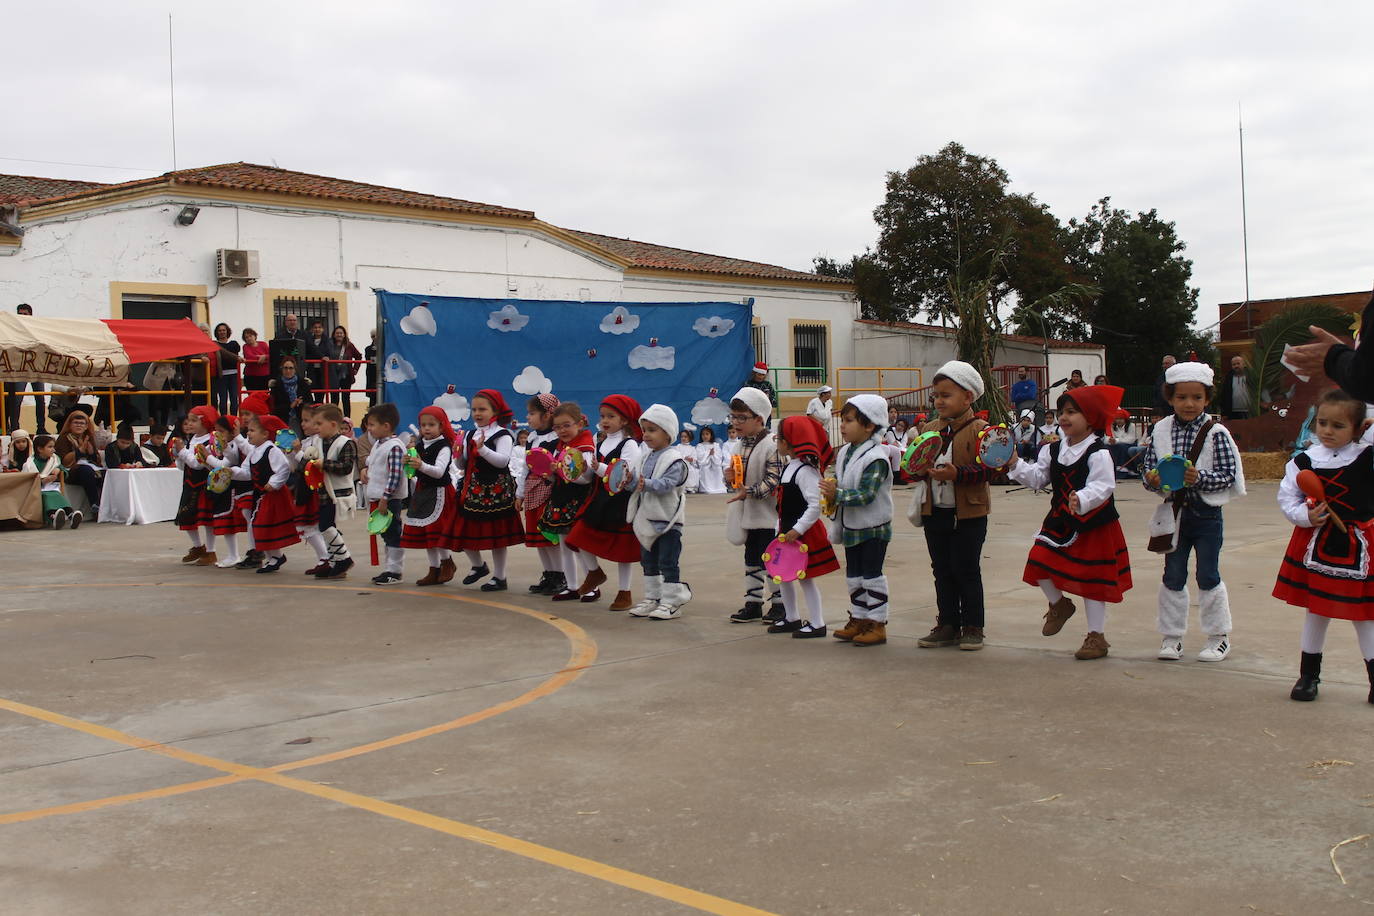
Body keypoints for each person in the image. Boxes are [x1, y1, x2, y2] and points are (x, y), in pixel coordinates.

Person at [1007, 385, 1133, 660]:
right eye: (1061, 411)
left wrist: (1083, 499)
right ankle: (1059, 604)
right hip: (1059, 520)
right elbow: (1038, 478)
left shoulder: (1098, 452)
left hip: (1093, 523)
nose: (1064, 417)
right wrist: (1015, 463)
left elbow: (1104, 485)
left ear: (1091, 419)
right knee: (1038, 560)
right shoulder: (1051, 450)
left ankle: (1096, 636)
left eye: (1072, 412)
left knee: (1092, 579)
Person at [1268, 390, 1374, 702]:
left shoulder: (1367, 455)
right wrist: (1305, 515)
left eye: (1338, 426)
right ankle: (1308, 677)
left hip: (1362, 545)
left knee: (1365, 615)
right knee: (1317, 611)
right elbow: (1288, 497)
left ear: (1358, 428)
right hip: (1316, 543)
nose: (1327, 430)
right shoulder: (1303, 460)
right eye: (1322, 423)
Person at [1142, 361, 1246, 662]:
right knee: (1172, 574)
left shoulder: (1216, 432)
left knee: (1207, 574)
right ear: (1170, 398)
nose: (1189, 404)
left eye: (1196, 397)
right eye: (1181, 397)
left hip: (1206, 516)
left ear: (1207, 399)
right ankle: (1172, 637)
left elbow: (1229, 474)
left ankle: (1218, 636)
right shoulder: (1160, 430)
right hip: (1173, 515)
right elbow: (1148, 468)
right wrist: (1152, 480)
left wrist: (1199, 479)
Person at [910, 362, 997, 651]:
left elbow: (990, 469)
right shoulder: (930, 429)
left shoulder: (981, 430)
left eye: (946, 395)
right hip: (935, 511)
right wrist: (918, 469)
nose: (939, 401)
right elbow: (915, 464)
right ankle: (947, 623)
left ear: (968, 397)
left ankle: (973, 626)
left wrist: (957, 474)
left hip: (969, 513)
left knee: (966, 568)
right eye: (936, 396)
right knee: (942, 568)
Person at [821, 394, 893, 646]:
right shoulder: (845, 453)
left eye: (849, 420)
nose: (842, 426)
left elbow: (867, 494)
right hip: (851, 526)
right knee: (854, 575)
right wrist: (833, 493)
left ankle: (877, 623)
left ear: (870, 425)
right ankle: (860, 618)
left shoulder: (877, 458)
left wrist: (837, 494)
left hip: (874, 527)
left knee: (871, 575)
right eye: (843, 420)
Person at [566, 395, 644, 610]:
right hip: (599, 499)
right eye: (602, 416)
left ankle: (624, 591)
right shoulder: (599, 441)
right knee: (578, 535)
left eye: (611, 416)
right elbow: (591, 475)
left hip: (621, 501)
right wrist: (576, 472)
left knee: (623, 549)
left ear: (625, 420)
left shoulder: (630, 445)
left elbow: (622, 475)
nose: (605, 420)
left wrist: (598, 467)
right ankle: (594, 572)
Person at [767, 415, 839, 638]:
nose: (776, 442)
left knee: (806, 579)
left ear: (789, 443)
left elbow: (815, 505)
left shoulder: (805, 471)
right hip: (786, 533)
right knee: (783, 576)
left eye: (778, 438)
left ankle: (818, 623)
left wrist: (797, 529)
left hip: (803, 535)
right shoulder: (791, 467)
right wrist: (779, 528)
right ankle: (791, 617)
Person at [451, 389, 526, 591]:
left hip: (496, 492)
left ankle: (500, 577)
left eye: (482, 409)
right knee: (462, 531)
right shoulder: (468, 434)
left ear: (495, 410)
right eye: (474, 409)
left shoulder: (503, 434)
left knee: (497, 538)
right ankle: (478, 566)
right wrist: (457, 455)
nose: (477, 413)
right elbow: (461, 465)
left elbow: (502, 461)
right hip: (472, 491)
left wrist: (482, 449)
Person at [626, 404, 692, 619]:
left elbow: (665, 485)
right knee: (649, 562)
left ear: (668, 432)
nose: (646, 435)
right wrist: (626, 480)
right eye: (644, 430)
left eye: (652, 430)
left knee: (668, 562)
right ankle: (653, 598)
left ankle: (672, 601)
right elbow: (635, 483)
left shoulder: (676, 460)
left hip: (668, 521)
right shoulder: (645, 457)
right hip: (646, 519)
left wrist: (640, 483)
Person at [725, 387, 785, 623]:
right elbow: (735, 481)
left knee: (771, 560)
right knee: (751, 559)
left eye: (742, 417)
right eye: (733, 417)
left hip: (769, 517)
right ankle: (753, 603)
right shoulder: (738, 445)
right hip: (748, 516)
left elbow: (774, 480)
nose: (736, 422)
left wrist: (747, 492)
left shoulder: (772, 444)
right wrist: (728, 478)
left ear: (759, 418)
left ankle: (780, 604)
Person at [226, 414, 300, 574]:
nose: (248, 433)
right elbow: (247, 472)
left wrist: (273, 483)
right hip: (260, 495)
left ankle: (275, 557)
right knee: (257, 526)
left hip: (273, 495)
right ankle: (275, 557)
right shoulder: (254, 451)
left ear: (265, 434)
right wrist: (232, 471)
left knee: (261, 525)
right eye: (248, 430)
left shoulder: (272, 450)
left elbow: (283, 469)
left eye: (252, 430)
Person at [541, 402, 598, 601]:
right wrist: (549, 473)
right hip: (561, 499)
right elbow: (556, 476)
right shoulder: (560, 447)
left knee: (580, 545)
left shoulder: (585, 446)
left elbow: (587, 478)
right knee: (565, 546)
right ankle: (572, 586)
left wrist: (563, 472)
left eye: (566, 425)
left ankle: (592, 586)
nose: (562, 430)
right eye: (557, 427)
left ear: (580, 423)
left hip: (578, 500)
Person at [398, 405, 460, 586]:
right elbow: (415, 473)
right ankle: (434, 569)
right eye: (423, 425)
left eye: (431, 425)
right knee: (427, 534)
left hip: (440, 492)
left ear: (441, 427)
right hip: (423, 492)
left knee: (436, 532)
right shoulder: (419, 445)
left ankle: (447, 562)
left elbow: (440, 472)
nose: (426, 428)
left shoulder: (444, 446)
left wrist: (420, 465)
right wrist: (408, 465)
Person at [518, 394, 566, 595]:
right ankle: (548, 574)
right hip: (532, 490)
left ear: (547, 415)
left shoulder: (557, 438)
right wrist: (519, 494)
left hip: (549, 491)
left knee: (550, 537)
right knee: (538, 537)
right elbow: (524, 467)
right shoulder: (532, 437)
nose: (528, 418)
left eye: (532, 413)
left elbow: (560, 466)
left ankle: (560, 575)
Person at [361, 403, 407, 586]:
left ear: (386, 426)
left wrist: (385, 498)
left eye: (372, 425)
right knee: (386, 534)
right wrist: (365, 470)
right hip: (379, 498)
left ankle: (395, 571)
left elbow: (395, 475)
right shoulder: (380, 444)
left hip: (389, 500)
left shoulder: (394, 447)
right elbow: (374, 463)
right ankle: (389, 568)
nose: (369, 429)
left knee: (393, 533)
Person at [313, 404, 357, 578]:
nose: (316, 427)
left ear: (332, 424)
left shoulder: (346, 443)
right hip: (322, 491)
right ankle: (334, 562)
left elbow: (346, 467)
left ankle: (344, 559)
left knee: (326, 526)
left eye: (319, 423)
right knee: (324, 527)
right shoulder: (317, 442)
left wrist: (324, 464)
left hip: (339, 493)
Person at [174, 405, 220, 566]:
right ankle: (197, 546)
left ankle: (211, 551)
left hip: (202, 484)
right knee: (186, 517)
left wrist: (182, 452)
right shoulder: (192, 440)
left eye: (194, 420)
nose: (190, 423)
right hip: (189, 483)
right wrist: (178, 455)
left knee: (206, 520)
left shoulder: (210, 441)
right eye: (189, 420)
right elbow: (184, 465)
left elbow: (197, 464)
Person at [5, 303, 49, 434]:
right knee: (16, 398)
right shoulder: (13, 330)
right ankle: (14, 427)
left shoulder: (37, 328)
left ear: (31, 314)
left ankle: (41, 427)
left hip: (37, 368)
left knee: (40, 398)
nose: (22, 316)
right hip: (20, 368)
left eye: (25, 314)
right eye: (20, 314)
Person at [55, 404, 103, 514]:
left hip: (89, 468)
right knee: (85, 471)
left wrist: (91, 453)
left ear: (86, 426)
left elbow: (97, 460)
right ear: (70, 425)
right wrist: (79, 451)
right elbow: (64, 461)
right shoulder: (64, 438)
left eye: (82, 423)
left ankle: (106, 505)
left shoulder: (88, 437)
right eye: (76, 423)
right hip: (69, 471)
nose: (79, 426)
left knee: (105, 473)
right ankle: (95, 505)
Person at [25, 434, 81, 529]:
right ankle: (53, 516)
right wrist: (42, 481)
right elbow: (27, 479)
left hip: (51, 486)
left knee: (56, 494)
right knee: (47, 495)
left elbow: (65, 471)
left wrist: (59, 469)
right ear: (40, 449)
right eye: (50, 447)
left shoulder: (54, 459)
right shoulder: (29, 463)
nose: (53, 450)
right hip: (36, 489)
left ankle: (70, 514)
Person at [322, 325, 362, 413]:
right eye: (337, 333)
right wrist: (324, 357)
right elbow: (323, 354)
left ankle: (347, 420)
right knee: (334, 398)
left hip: (346, 375)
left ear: (344, 335)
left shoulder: (349, 345)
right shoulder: (329, 345)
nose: (339, 335)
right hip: (333, 375)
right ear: (334, 334)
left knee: (346, 398)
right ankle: (333, 418)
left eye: (341, 333)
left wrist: (355, 369)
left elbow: (358, 356)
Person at [268, 357, 313, 431]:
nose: (288, 371)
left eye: (291, 368)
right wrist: (290, 406)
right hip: (283, 419)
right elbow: (274, 409)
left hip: (300, 419)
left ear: (295, 370)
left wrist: (301, 403)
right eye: (285, 368)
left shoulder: (303, 384)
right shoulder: (276, 386)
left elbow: (310, 402)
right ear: (282, 369)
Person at [209, 323, 243, 417]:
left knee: (234, 399)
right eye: (220, 330)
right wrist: (235, 357)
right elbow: (226, 355)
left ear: (227, 331)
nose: (222, 332)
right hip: (221, 375)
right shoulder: (215, 344)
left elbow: (229, 353)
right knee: (223, 400)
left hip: (234, 375)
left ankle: (234, 419)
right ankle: (224, 420)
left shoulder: (234, 344)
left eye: (224, 330)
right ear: (217, 332)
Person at [1107, 409, 1143, 477]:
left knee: (1121, 446)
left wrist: (1117, 440)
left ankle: (1125, 467)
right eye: (1117, 419)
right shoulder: (1113, 426)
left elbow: (1131, 439)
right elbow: (1110, 437)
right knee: (1108, 447)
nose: (1119, 421)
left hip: (1129, 444)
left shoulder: (1131, 426)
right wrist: (1110, 440)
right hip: (1117, 444)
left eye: (1121, 419)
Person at [1217, 355, 1252, 420]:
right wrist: (1224, 413)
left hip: (1250, 412)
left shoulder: (1251, 377)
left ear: (1244, 364)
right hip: (1232, 413)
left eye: (1238, 363)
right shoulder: (1228, 378)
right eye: (1234, 364)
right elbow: (1224, 396)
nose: (1236, 366)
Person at [695, 426, 727, 495]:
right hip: (705, 464)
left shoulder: (715, 445)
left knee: (718, 469)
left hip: (714, 463)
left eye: (707, 434)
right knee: (705, 469)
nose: (705, 436)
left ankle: (718, 487)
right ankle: (706, 488)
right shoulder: (700, 446)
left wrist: (713, 455)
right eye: (703, 434)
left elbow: (719, 456)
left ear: (711, 435)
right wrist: (708, 454)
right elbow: (700, 457)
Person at [364, 329, 379, 408]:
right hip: (372, 375)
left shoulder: (386, 347)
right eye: (373, 336)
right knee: (373, 399)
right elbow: (369, 359)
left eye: (377, 336)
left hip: (382, 375)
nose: (375, 338)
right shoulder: (368, 349)